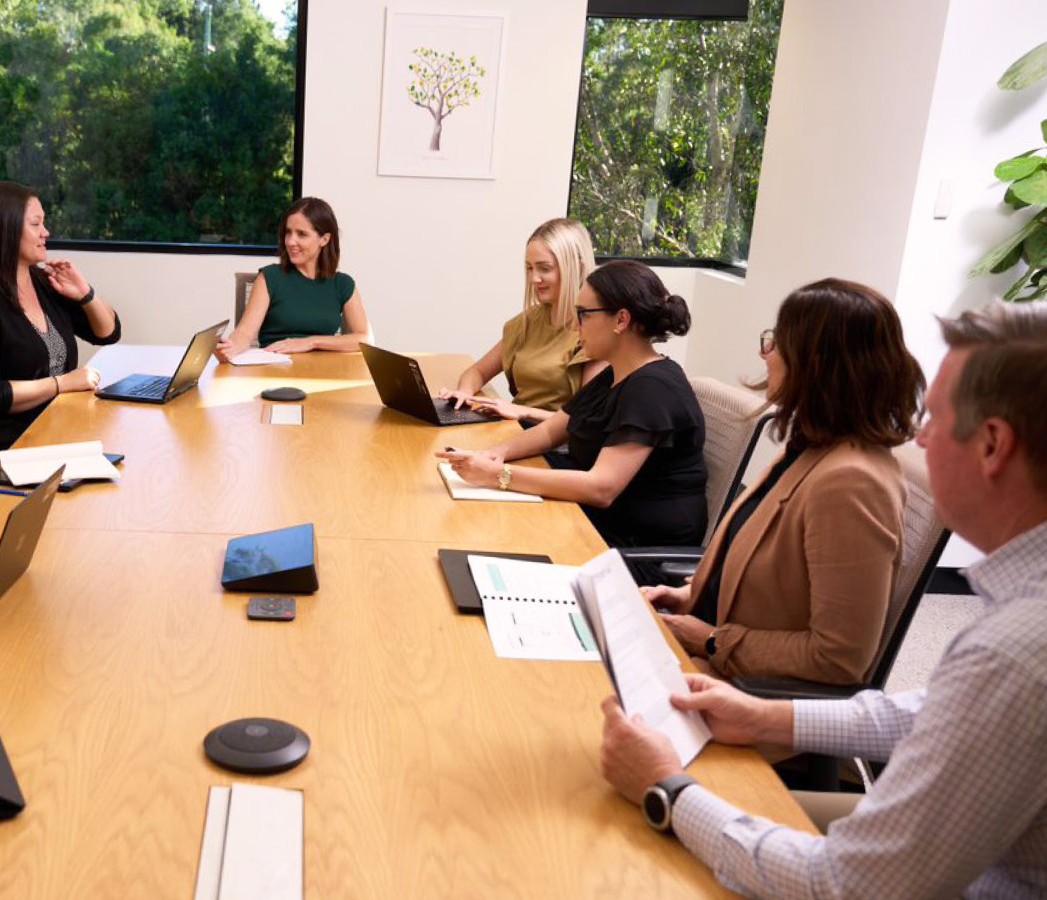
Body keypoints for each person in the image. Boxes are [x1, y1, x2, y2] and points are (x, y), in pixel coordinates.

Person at [598, 302, 1047, 899]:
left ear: (992, 445)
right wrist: (767, 716)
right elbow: (939, 709)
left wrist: (668, 791)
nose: (920, 437)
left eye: (936, 419)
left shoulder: (1012, 650)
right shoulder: (1018, 615)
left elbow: (847, 885)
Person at [644, 279, 924, 685]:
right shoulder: (810, 447)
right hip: (711, 663)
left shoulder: (852, 483)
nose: (765, 353)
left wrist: (710, 640)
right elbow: (770, 576)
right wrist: (689, 595)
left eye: (777, 342)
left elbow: (839, 658)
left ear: (816, 363)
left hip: (740, 694)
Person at [438, 260, 706, 550]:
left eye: (584, 315)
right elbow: (551, 431)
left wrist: (498, 476)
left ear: (621, 320)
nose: (576, 326)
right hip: (593, 521)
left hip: (630, 547)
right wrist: (492, 455)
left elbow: (601, 487)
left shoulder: (652, 388)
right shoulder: (615, 373)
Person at [0, 181, 122, 455]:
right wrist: (62, 383)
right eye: (35, 224)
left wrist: (85, 294)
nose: (46, 232)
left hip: (50, 424)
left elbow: (107, 333)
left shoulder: (44, 283)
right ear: (5, 230)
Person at [437, 217, 605, 423]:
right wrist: (463, 394)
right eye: (529, 268)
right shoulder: (527, 322)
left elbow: (584, 422)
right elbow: (476, 372)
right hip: (514, 428)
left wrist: (522, 412)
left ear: (576, 267)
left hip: (552, 440)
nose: (534, 278)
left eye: (544, 268)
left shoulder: (595, 333)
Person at [213, 197, 373, 361]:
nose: (290, 241)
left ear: (324, 239)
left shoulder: (343, 284)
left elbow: (365, 338)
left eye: (301, 234)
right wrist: (229, 348)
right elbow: (245, 333)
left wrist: (311, 342)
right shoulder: (270, 277)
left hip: (324, 370)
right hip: (275, 368)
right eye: (288, 232)